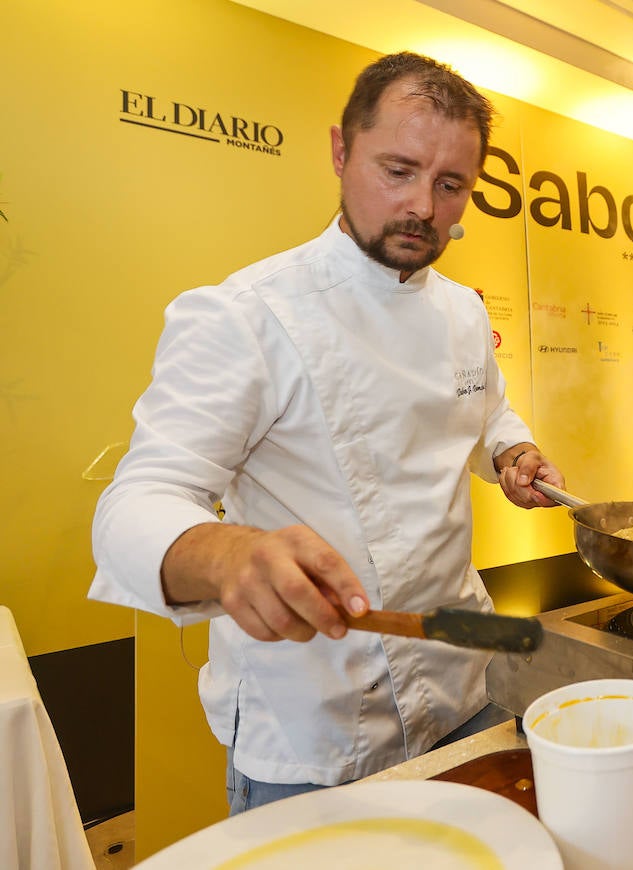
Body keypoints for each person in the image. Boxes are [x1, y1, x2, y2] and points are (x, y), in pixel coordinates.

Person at [89, 52, 565, 814]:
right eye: (397, 170)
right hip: (313, 725)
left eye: (450, 186)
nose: (421, 206)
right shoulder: (246, 313)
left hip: (463, 681)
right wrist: (222, 553)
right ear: (341, 151)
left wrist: (510, 451)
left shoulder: (464, 311)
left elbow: (482, 413)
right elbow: (134, 503)